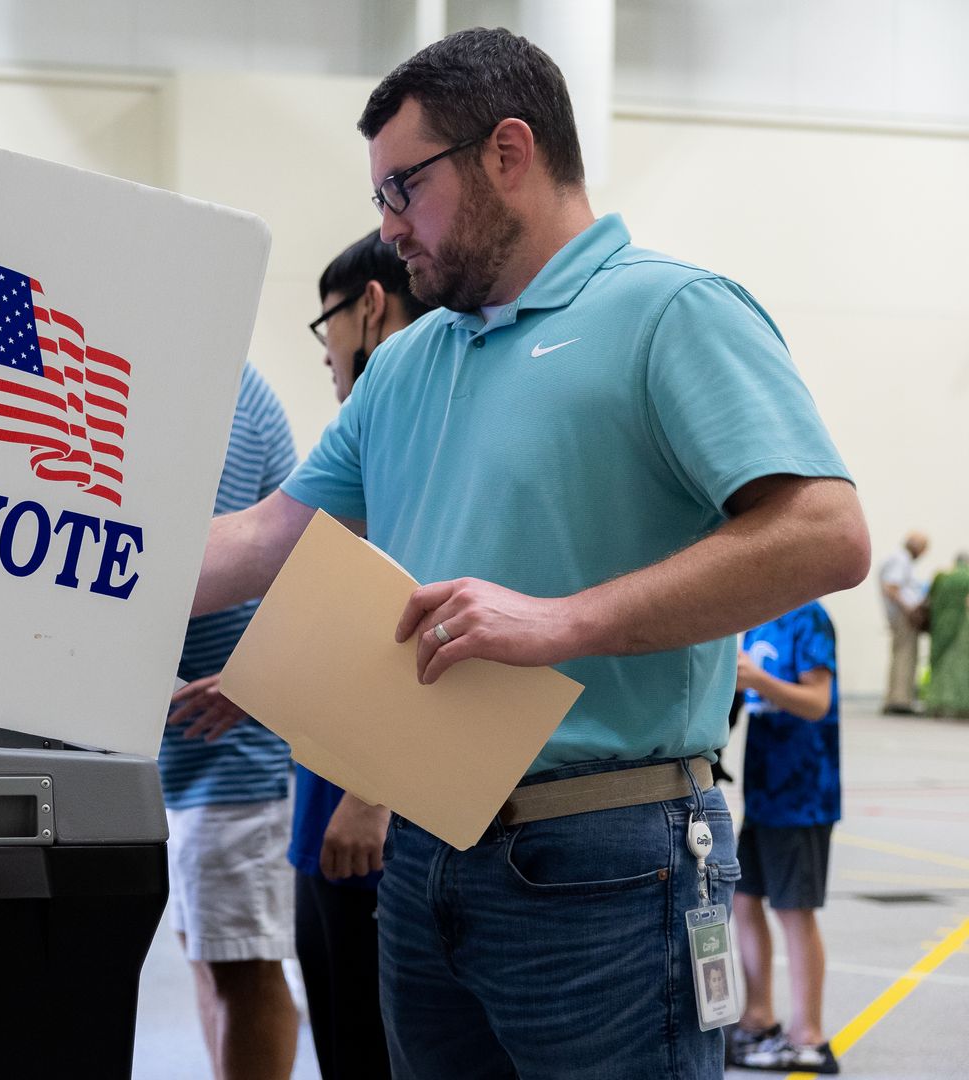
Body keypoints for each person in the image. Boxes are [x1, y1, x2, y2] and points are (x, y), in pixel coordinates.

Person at [192, 27, 869, 1079]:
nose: (386, 227)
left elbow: (824, 533)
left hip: (614, 862)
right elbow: (260, 542)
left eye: (403, 189)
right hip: (426, 859)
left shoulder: (669, 312)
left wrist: (560, 622)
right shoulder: (410, 362)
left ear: (508, 152)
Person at [292, 230, 427, 1079]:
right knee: (341, 1029)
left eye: (327, 324)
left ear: (369, 306)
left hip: (368, 804)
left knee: (368, 1045)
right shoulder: (366, 434)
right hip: (327, 782)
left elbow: (419, 613)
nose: (326, 352)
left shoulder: (418, 429)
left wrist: (372, 793)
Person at [160, 361, 299, 1080]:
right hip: (177, 746)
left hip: (232, 742)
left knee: (242, 966)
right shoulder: (180, 379)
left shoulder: (223, 390)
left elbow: (189, 557)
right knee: (211, 958)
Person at [729, 600, 842, 1075]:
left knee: (794, 911)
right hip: (764, 792)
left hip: (803, 793)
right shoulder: (755, 621)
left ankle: (809, 1037)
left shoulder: (810, 618)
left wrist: (756, 679)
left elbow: (818, 702)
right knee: (744, 900)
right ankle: (758, 1019)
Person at [879, 531, 928, 713]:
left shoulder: (899, 559)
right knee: (905, 656)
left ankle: (895, 699)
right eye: (923, 549)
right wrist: (910, 611)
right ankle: (900, 702)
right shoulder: (901, 560)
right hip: (903, 616)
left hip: (900, 615)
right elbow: (891, 588)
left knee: (900, 655)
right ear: (916, 546)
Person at [923, 553, 969, 718]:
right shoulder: (966, 578)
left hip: (940, 623)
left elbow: (929, 598)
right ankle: (961, 706)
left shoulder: (942, 577)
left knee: (940, 663)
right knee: (961, 666)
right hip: (962, 626)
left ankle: (937, 703)